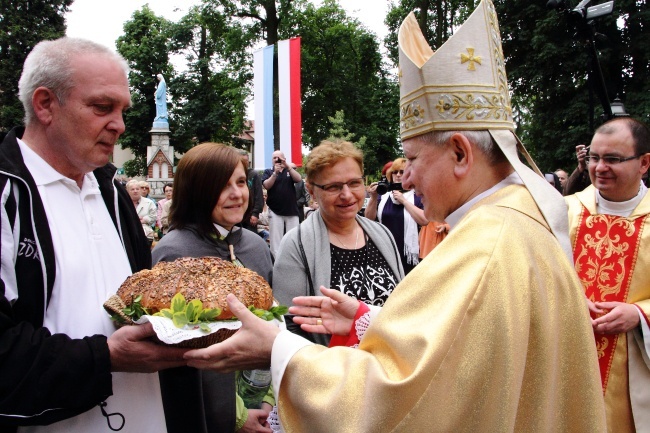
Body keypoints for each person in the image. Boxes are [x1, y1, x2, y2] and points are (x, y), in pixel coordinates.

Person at [181, 2, 606, 431]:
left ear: (460, 152)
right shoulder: (518, 219)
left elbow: (399, 397)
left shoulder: (486, 245)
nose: (408, 177)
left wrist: (278, 350)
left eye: (414, 157)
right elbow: (462, 351)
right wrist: (368, 321)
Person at [0, 37, 188, 431]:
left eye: (122, 110)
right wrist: (105, 356)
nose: (119, 124)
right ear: (45, 104)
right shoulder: (7, 194)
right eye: (103, 107)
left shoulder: (112, 193)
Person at [152, 143, 274, 433]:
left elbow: (272, 320)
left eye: (241, 182)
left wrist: (267, 397)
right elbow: (180, 349)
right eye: (221, 185)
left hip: (263, 397)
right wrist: (238, 416)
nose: (237, 194)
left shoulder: (256, 246)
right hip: (207, 410)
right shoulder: (174, 252)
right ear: (196, 191)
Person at [273, 140, 404, 345]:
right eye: (333, 187)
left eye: (354, 183)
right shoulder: (296, 244)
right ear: (312, 190)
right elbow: (288, 326)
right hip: (333, 371)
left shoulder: (382, 234)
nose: (347, 195)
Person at [565, 117, 650, 433]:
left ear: (644, 163)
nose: (599, 167)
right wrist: (568, 300)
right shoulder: (564, 212)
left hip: (632, 374)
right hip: (568, 358)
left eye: (612, 159)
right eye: (594, 158)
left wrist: (639, 314)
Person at [365, 157, 428, 274]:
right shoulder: (383, 196)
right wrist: (373, 197)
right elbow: (369, 218)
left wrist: (404, 201)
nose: (398, 175)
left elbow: (424, 220)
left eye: (402, 172)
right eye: (395, 172)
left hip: (408, 251)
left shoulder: (417, 196)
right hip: (385, 247)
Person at [261, 150, 302, 257]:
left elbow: (298, 179)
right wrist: (275, 173)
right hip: (275, 211)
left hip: (291, 211)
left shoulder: (289, 170)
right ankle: (276, 263)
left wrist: (288, 167)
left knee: (294, 238)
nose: (277, 160)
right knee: (276, 241)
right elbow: (266, 185)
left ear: (284, 159)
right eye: (274, 158)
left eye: (279, 158)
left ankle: (293, 260)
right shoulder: (268, 171)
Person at [238, 150, 265, 234]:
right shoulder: (234, 174)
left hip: (250, 214)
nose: (245, 163)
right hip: (238, 212)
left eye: (246, 161)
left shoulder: (254, 174)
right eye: (242, 161)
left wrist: (255, 213)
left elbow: (259, 195)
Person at [126, 179, 157, 245]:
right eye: (132, 189)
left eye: (137, 189)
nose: (135, 191)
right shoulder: (123, 203)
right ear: (127, 191)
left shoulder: (149, 202)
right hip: (128, 233)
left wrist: (144, 219)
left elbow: (153, 216)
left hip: (145, 233)